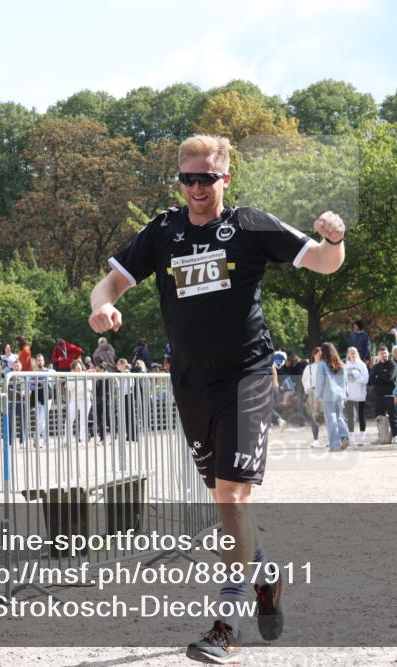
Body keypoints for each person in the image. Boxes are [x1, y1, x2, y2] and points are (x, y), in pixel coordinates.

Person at [88, 133, 346, 662]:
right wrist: (100, 308)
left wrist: (335, 239)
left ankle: (225, 623)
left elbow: (323, 262)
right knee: (225, 503)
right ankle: (266, 576)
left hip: (247, 376)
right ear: (179, 180)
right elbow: (109, 284)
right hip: (190, 384)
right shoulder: (163, 231)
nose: (197, 188)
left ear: (226, 178)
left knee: (232, 496)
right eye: (189, 178)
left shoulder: (250, 225)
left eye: (207, 178)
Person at [313, 343, 350, 451]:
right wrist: (346, 393)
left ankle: (334, 444)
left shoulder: (322, 364)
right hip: (340, 395)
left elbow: (320, 382)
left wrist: (317, 397)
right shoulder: (340, 363)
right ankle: (344, 436)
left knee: (331, 419)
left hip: (328, 395)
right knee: (339, 417)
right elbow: (346, 381)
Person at [343, 346, 369, 445]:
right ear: (348, 354)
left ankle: (362, 438)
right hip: (349, 396)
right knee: (349, 417)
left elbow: (365, 380)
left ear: (357, 353)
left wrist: (357, 375)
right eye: (351, 353)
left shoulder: (362, 365)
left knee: (361, 416)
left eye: (355, 352)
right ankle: (351, 438)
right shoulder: (346, 365)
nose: (353, 354)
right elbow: (343, 381)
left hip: (360, 395)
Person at [300, 347, 324, 447]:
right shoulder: (309, 367)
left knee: (325, 415)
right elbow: (304, 380)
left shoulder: (325, 366)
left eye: (321, 354)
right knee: (314, 416)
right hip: (313, 392)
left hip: (323, 392)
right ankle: (316, 439)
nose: (319, 356)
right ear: (314, 355)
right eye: (317, 354)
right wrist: (308, 389)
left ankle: (329, 437)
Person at [65, 359, 92, 441]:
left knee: (83, 420)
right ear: (73, 369)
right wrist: (76, 381)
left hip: (85, 399)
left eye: (80, 367)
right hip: (74, 399)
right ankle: (67, 439)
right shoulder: (70, 375)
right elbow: (69, 387)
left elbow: (89, 387)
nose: (79, 369)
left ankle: (83, 439)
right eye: (77, 368)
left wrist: (77, 385)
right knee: (69, 419)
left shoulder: (86, 375)